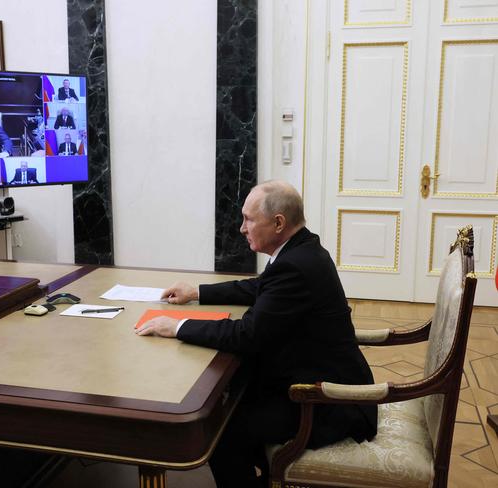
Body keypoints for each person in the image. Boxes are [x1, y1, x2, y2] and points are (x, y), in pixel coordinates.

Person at [136, 180, 377, 488]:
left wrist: (177, 326)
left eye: (248, 219)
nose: (241, 228)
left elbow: (247, 335)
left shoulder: (295, 266)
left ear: (278, 223)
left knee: (220, 430)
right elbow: (260, 287)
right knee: (230, 389)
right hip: (313, 378)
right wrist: (197, 292)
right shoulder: (301, 250)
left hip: (327, 402)